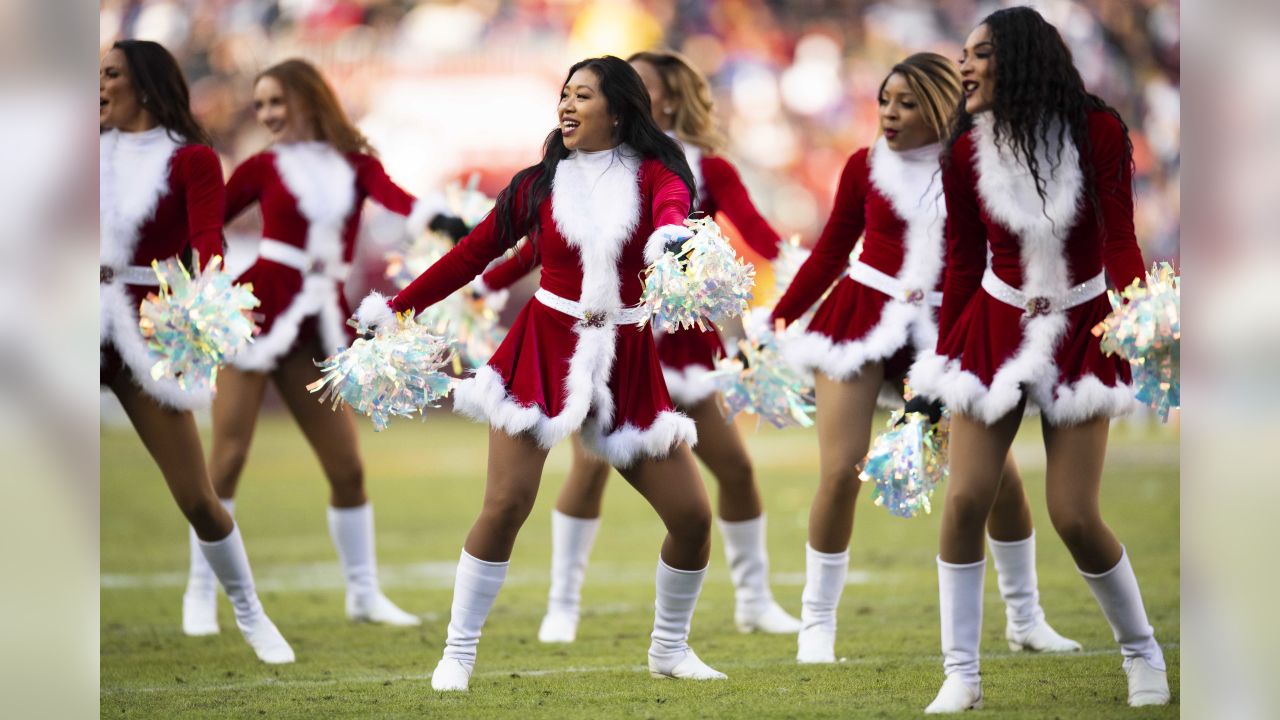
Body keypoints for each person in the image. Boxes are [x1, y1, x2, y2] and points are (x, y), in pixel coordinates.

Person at [356, 55, 725, 691]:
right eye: (564, 94)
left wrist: (671, 239)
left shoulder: (657, 171)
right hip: (544, 349)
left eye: (584, 95)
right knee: (505, 505)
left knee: (692, 518)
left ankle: (669, 648)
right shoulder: (538, 183)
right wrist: (395, 309)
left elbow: (673, 206)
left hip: (627, 358)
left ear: (618, 108)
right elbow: (472, 254)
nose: (568, 105)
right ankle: (458, 654)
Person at [472, 49, 800, 644]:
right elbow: (538, 245)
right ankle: (562, 604)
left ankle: (752, 600)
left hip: (675, 341)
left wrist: (803, 276)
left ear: (656, 102)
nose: (575, 104)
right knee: (583, 473)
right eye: (570, 94)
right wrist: (477, 287)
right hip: (598, 343)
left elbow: (745, 232)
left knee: (730, 472)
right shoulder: (565, 174)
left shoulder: (684, 169)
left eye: (641, 87)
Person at [766, 52, 1080, 665]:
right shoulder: (862, 165)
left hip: (947, 327)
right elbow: (832, 248)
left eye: (906, 103)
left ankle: (1026, 618)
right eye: (885, 100)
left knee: (999, 481)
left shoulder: (975, 166)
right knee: (840, 470)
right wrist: (778, 317)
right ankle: (817, 626)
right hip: (861, 318)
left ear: (941, 106)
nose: (890, 113)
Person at [909, 8, 1169, 711]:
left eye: (979, 54)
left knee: (1074, 514)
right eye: (961, 54)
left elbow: (1120, 235)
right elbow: (964, 263)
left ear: (1021, 58)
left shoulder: (1100, 130)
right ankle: (961, 674)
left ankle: (1143, 654)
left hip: (1085, 321)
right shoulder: (962, 150)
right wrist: (940, 361)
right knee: (964, 499)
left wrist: (1143, 310)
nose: (963, 66)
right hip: (993, 322)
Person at [181, 59, 465, 635]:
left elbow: (400, 200)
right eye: (260, 106)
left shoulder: (356, 165)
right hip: (257, 308)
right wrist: (193, 263)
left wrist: (445, 220)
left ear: (310, 100)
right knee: (228, 458)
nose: (267, 115)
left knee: (346, 467)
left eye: (276, 102)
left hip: (322, 320)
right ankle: (200, 593)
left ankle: (363, 593)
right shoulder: (263, 165)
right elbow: (208, 219)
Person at [100, 40, 293, 664]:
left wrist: (205, 287)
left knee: (196, 497)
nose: (96, 84)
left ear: (147, 87)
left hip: (143, 324)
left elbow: (208, 234)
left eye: (110, 74)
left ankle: (247, 609)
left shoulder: (191, 159)